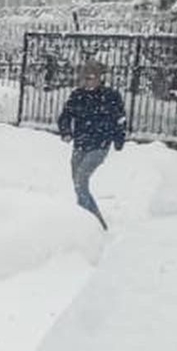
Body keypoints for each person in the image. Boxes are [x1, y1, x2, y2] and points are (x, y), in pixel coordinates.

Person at [57, 59, 126, 229]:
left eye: (90, 78)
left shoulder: (110, 96)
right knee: (78, 184)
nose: (86, 82)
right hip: (80, 144)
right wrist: (65, 131)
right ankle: (87, 218)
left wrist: (118, 140)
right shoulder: (77, 95)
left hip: (99, 145)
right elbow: (65, 116)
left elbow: (120, 120)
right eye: (83, 78)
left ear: (99, 78)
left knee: (81, 180)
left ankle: (95, 223)